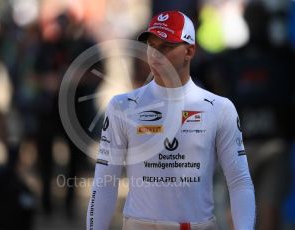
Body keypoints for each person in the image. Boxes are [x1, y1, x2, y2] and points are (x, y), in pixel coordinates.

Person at [86, 11, 255, 230]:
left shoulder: (220, 109)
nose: (155, 55)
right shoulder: (122, 106)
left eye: (165, 46)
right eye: (151, 46)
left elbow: (239, 181)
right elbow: (105, 180)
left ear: (189, 51)